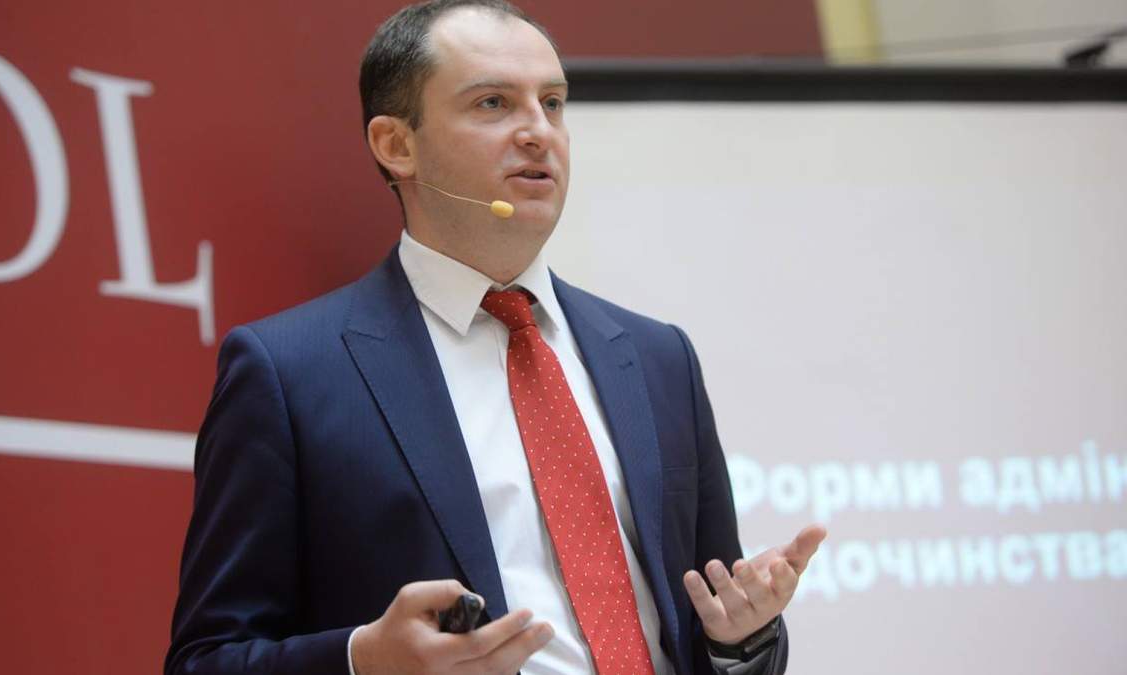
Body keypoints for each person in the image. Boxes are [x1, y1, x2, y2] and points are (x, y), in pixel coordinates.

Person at [165, 1, 826, 674]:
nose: (539, 132)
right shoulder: (288, 372)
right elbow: (206, 659)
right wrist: (364, 660)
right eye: (493, 104)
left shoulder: (659, 358)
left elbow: (713, 626)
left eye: (553, 103)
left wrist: (739, 643)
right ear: (396, 145)